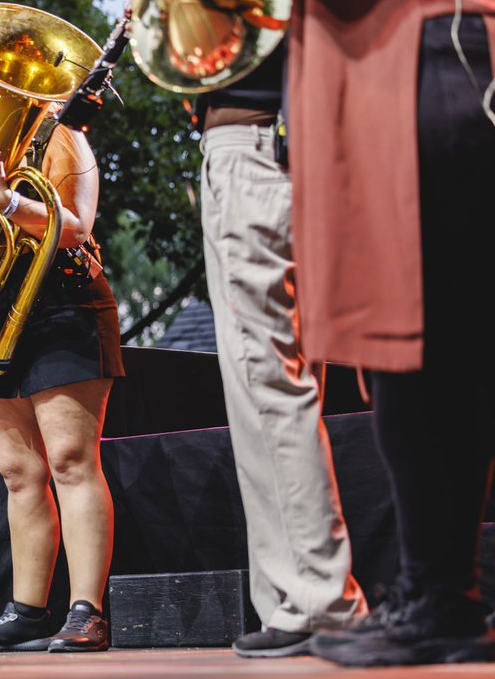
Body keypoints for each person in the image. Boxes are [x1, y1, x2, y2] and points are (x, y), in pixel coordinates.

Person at [199, 0, 495, 667]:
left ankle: (438, 598)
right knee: (413, 362)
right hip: (388, 67)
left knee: (440, 353)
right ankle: (440, 597)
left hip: (441, 54)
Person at [0, 66, 125, 653]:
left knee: (69, 460)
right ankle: (27, 611)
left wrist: (6, 201)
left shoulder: (64, 133)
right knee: (19, 474)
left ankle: (87, 611)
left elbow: (78, 226)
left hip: (63, 305)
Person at [192, 42, 368, 657]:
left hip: (255, 150)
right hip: (293, 146)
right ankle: (300, 598)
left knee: (266, 384)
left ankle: (319, 600)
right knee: (284, 383)